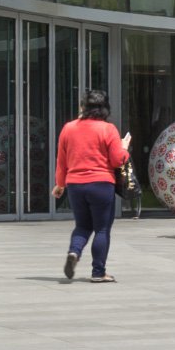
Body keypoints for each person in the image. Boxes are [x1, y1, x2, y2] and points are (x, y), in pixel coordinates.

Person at [54, 89, 129, 284]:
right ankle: (98, 272)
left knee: (82, 226)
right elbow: (117, 159)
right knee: (102, 229)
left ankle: (74, 252)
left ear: (83, 107)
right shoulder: (108, 129)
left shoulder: (68, 128)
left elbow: (61, 161)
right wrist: (125, 149)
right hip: (101, 184)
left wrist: (60, 185)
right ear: (105, 109)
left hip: (75, 185)